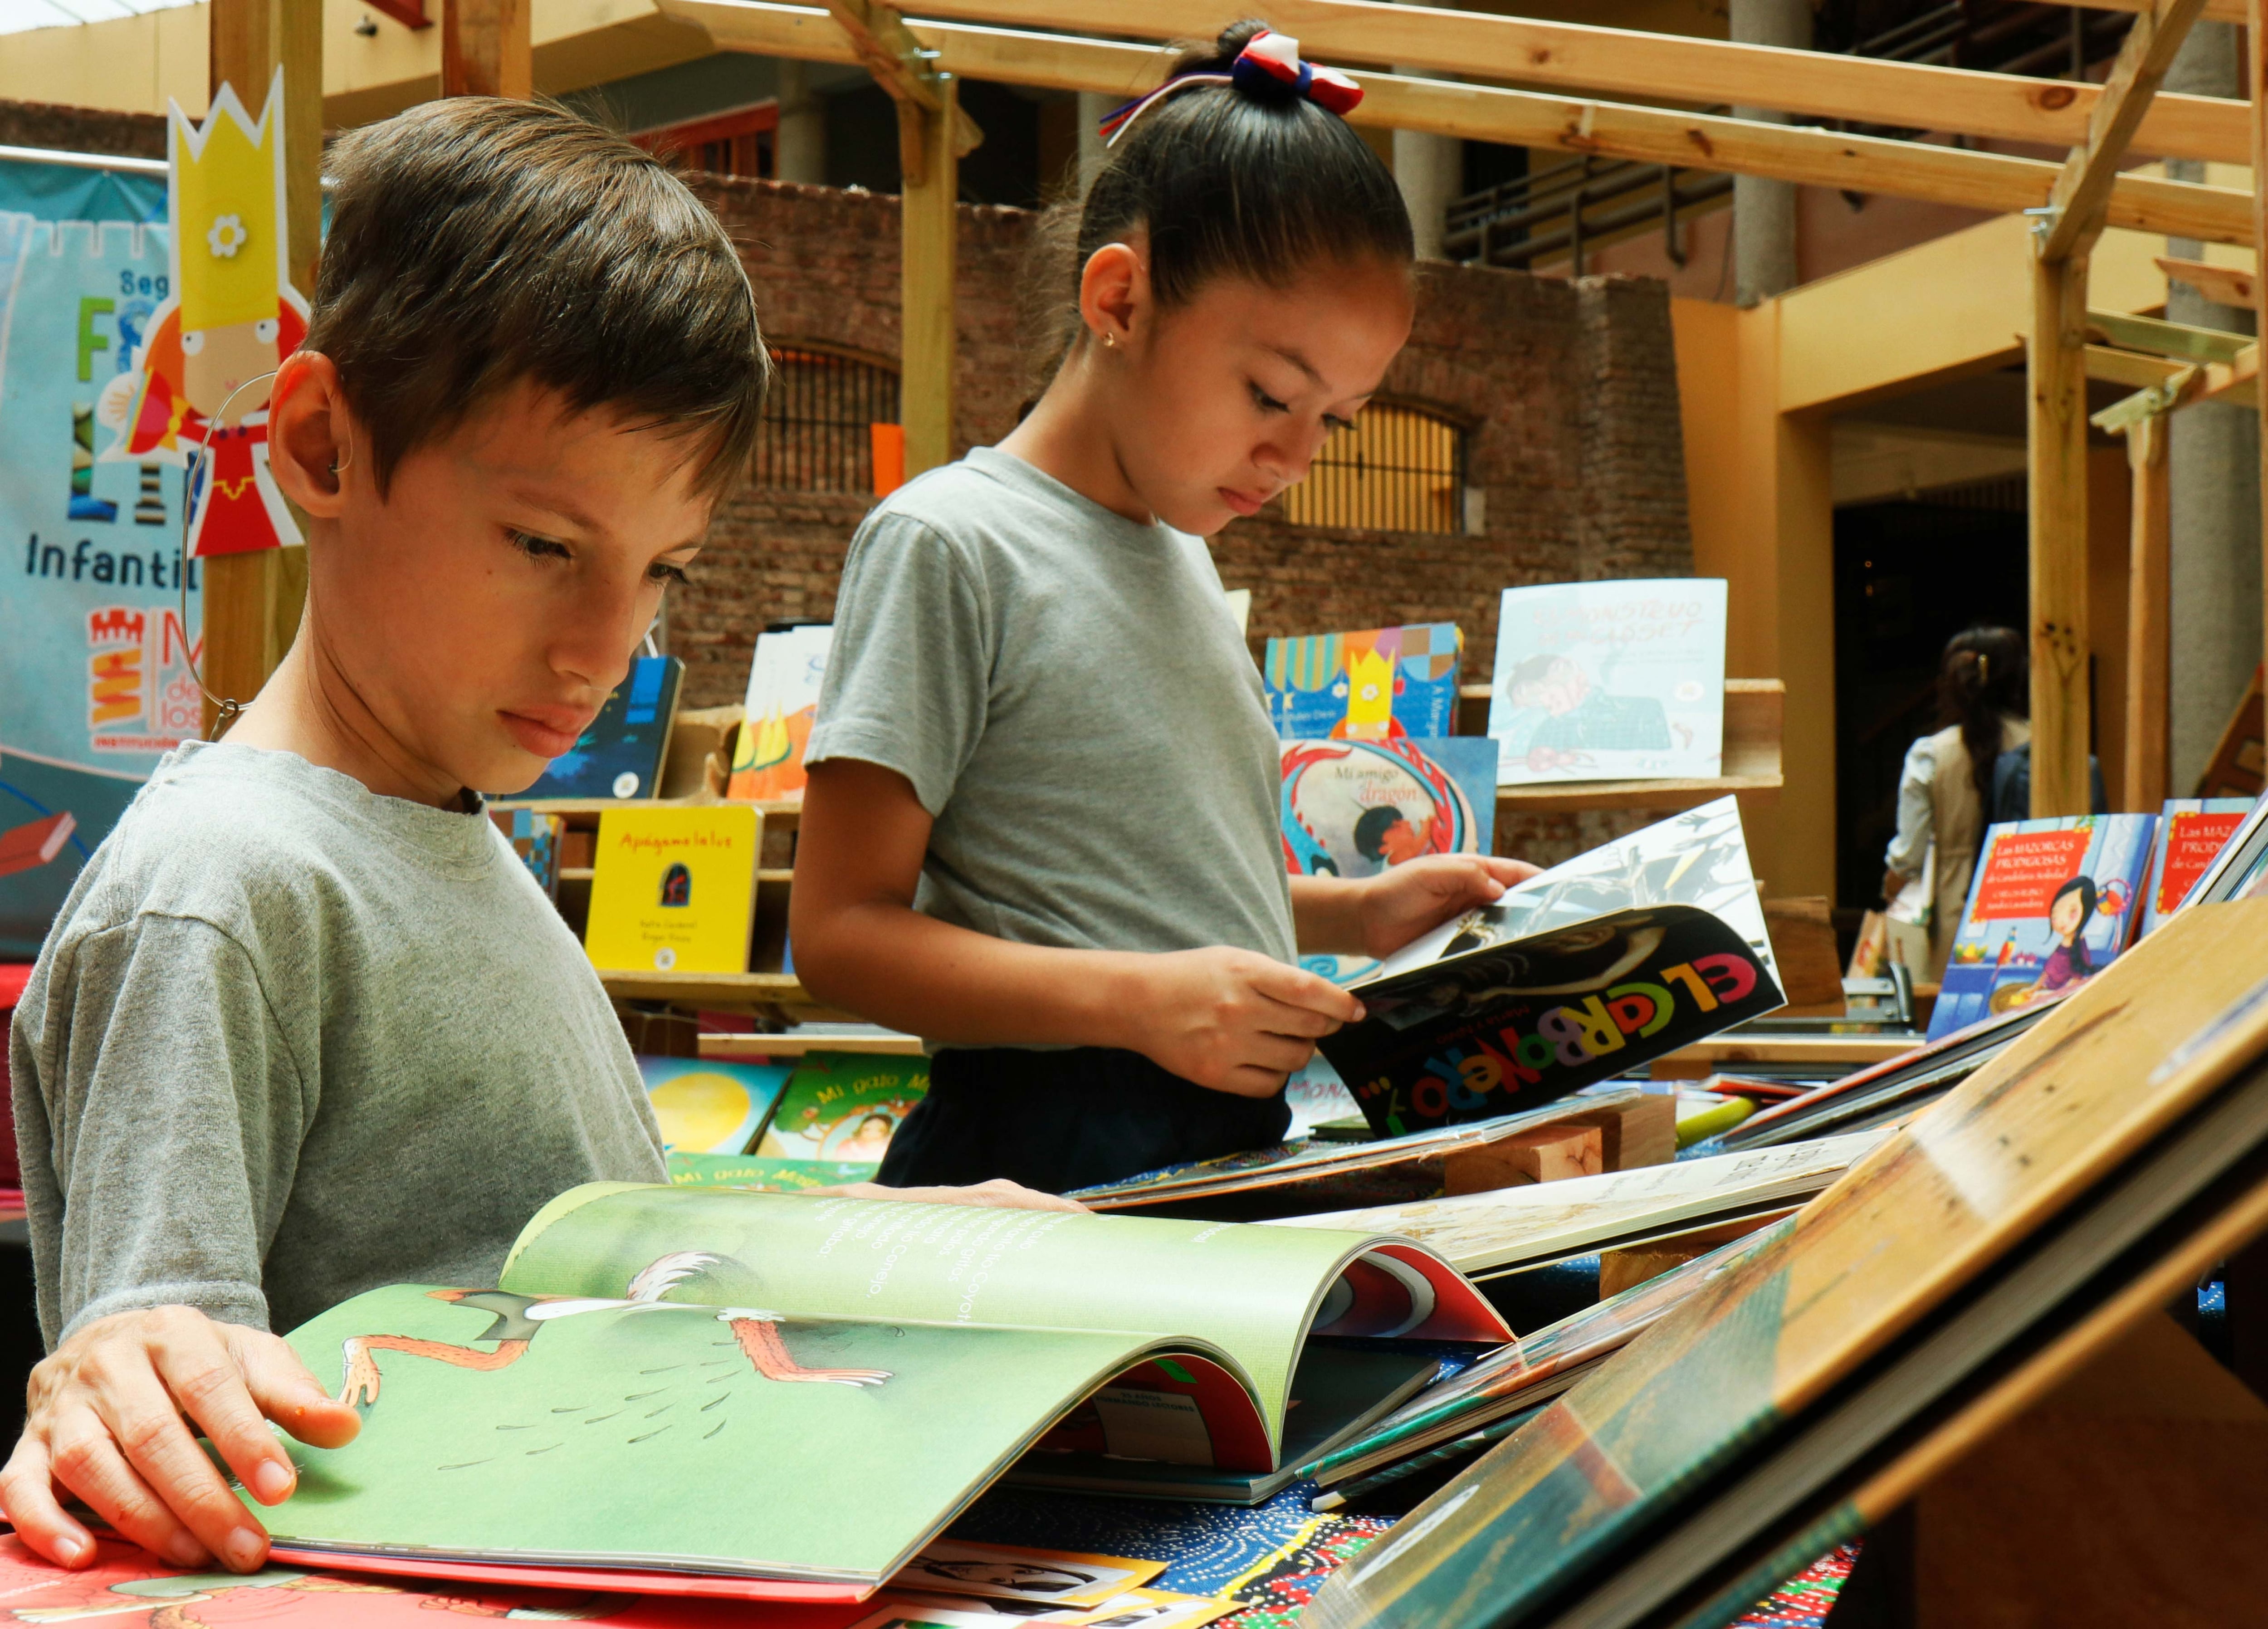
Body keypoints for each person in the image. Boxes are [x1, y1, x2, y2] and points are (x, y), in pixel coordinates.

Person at [3, 98, 1068, 1580]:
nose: (604, 647)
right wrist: (124, 1372)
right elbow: (162, 1393)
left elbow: (541, 1261)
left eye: (658, 575)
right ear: (319, 442)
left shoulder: (454, 831)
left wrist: (877, 1242)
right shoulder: (221, 890)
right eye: (547, 547)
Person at [789, 22, 1536, 1194]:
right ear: (1122, 299)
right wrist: (1141, 1002)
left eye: (1334, 420)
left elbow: (1125, 883)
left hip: (1211, 1143)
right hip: (1039, 1159)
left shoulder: (1180, 557)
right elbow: (839, 931)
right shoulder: (951, 541)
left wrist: (1357, 910)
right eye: (1271, 393)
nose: (1295, 453)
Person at [1881, 626, 2030, 979]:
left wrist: (1890, 889)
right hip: (2031, 911)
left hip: (1953, 915)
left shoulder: (1930, 754)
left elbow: (1908, 857)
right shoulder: (2044, 745)